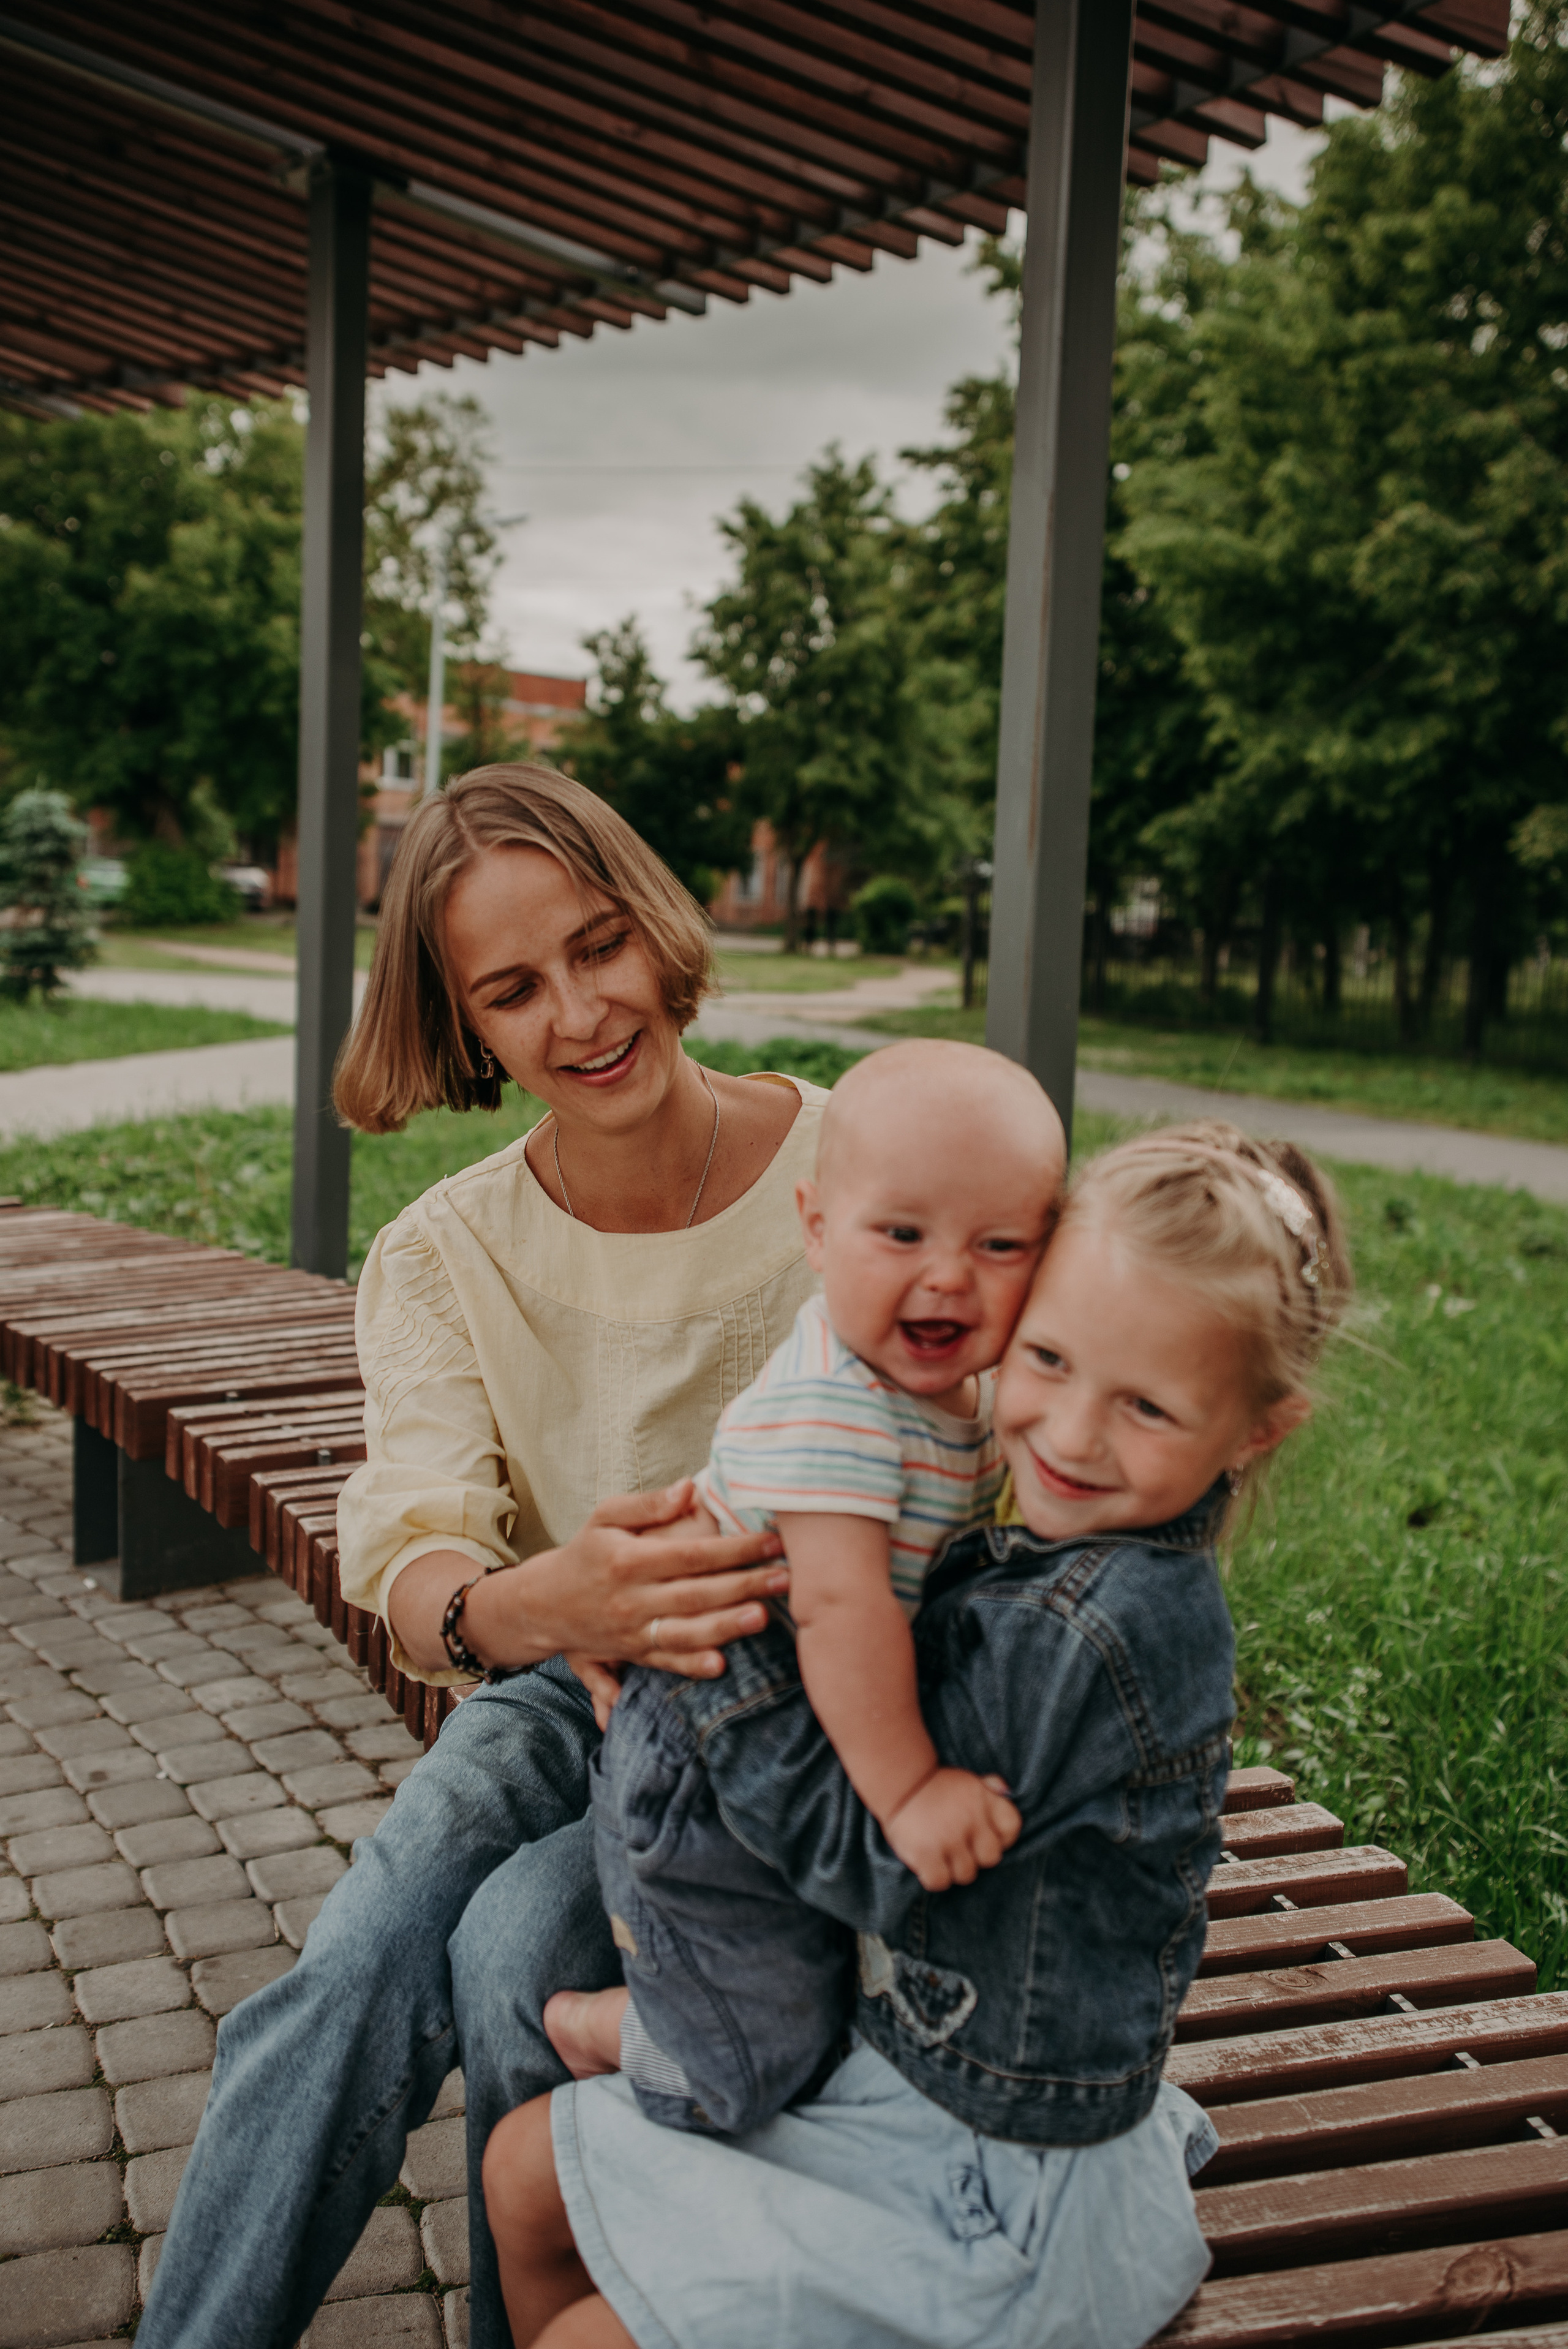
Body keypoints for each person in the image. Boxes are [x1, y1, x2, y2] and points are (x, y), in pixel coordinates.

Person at [137, 766, 835, 2349]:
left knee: (520, 1951)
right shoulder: (446, 1252)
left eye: (600, 946)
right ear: (465, 1022)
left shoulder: (853, 1176)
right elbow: (418, 1563)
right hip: (554, 1690)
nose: (583, 1012)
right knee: (350, 1974)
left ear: (656, 923)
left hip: (799, 1727)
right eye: (515, 988)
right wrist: (554, 1601)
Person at [482, 1120, 1352, 2349]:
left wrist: (710, 1656)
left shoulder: (1088, 1635)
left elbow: (863, 1858)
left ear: (1256, 1429)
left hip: (992, 2182)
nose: (1066, 1434)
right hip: (902, 2067)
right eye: (1045, 1359)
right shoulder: (1038, 1505)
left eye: (1145, 1406)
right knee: (523, 2167)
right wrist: (681, 1570)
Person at [544, 1040, 1066, 2132]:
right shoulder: (842, 1408)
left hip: (802, 1726)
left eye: (1000, 1244)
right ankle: (609, 2031)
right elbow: (840, 1613)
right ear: (818, 1229)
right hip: (704, 1748)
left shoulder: (943, 1383)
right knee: (752, 2057)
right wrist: (913, 1794)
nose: (947, 1275)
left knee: (833, 1995)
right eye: (903, 1234)